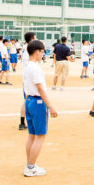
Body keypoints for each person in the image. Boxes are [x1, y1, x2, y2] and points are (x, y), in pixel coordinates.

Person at [23, 39, 57, 177]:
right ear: (37, 52)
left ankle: (30, 164)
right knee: (40, 136)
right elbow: (41, 89)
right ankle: (31, 167)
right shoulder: (35, 68)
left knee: (32, 135)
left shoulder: (27, 66)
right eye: (42, 51)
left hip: (29, 100)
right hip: (37, 102)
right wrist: (51, 106)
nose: (43, 54)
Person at [18, 32, 36, 130]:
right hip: (28, 80)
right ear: (32, 39)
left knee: (28, 100)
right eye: (35, 37)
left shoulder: (27, 49)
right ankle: (22, 122)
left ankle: (24, 121)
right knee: (27, 100)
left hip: (28, 79)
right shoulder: (28, 51)